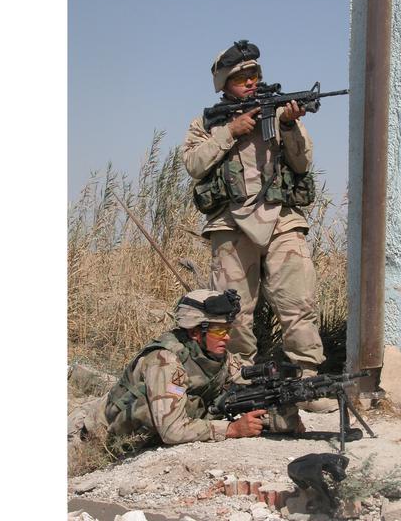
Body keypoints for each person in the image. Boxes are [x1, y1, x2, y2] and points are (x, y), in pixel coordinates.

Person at [181, 40, 334, 413]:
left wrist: (290, 124)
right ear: (223, 85)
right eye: (241, 77)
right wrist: (231, 131)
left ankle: (308, 381)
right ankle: (238, 383)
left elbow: (302, 164)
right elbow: (193, 164)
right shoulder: (207, 124)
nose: (251, 82)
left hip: (282, 221)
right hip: (231, 225)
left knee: (297, 302)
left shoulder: (281, 112)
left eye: (255, 75)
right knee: (233, 311)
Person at [94, 289, 302, 446]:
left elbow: (247, 381)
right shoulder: (165, 361)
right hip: (96, 439)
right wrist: (232, 429)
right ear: (196, 333)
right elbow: (172, 431)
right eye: (220, 331)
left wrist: (285, 399)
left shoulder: (216, 357)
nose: (227, 337)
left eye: (228, 330)